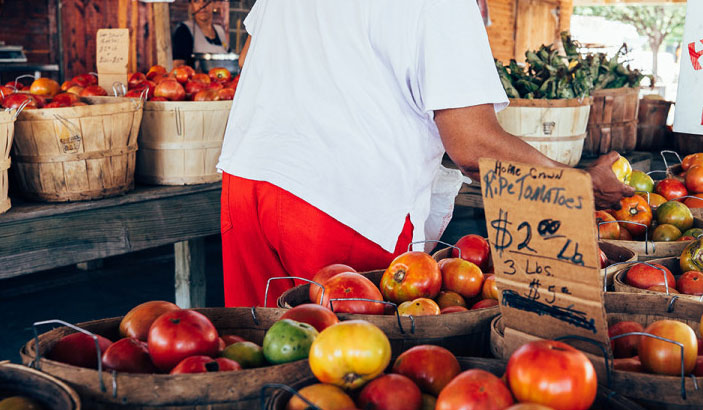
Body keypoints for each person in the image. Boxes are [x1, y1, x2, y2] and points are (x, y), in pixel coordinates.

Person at [217, 0, 633, 307]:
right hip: (342, 203)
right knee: (345, 378)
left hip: (249, 179)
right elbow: (472, 145)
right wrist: (582, 184)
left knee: (262, 355)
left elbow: (251, 59)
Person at [172, 0, 229, 69]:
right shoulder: (184, 30)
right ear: (191, 6)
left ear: (214, 4)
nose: (202, 6)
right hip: (197, 79)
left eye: (206, 1)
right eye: (196, 1)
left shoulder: (220, 31)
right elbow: (178, 66)